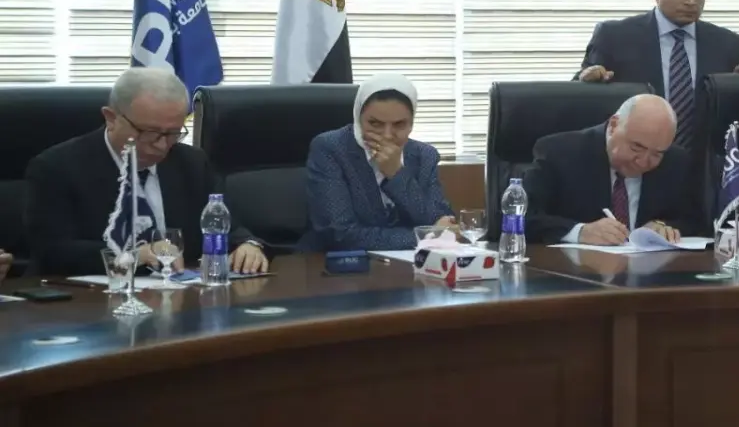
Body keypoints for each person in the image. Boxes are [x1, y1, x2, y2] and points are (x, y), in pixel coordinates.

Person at [25, 67, 268, 277]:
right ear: (111, 118)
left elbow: (227, 226)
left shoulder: (191, 162)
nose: (161, 145)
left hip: (180, 299)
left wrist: (248, 245)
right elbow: (51, 252)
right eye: (149, 133)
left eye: (172, 133)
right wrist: (134, 255)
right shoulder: (57, 167)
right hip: (91, 302)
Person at [576, 0, 739, 149]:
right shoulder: (614, 36)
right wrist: (589, 76)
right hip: (636, 155)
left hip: (704, 159)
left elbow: (733, 111)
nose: (690, 2)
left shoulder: (729, 43)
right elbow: (581, 95)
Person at [301, 73, 455, 251]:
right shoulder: (331, 149)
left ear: (411, 124)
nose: (387, 135)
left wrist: (397, 174)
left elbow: (441, 221)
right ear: (358, 118)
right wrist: (424, 236)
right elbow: (340, 234)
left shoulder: (424, 155)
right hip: (335, 263)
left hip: (409, 263)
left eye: (399, 124)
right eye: (375, 124)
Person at [523, 94, 698, 245]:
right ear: (614, 125)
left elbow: (695, 221)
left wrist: (664, 227)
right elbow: (522, 217)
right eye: (636, 147)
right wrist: (580, 231)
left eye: (656, 154)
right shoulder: (559, 152)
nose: (643, 162)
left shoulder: (676, 161)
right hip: (575, 269)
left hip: (650, 270)